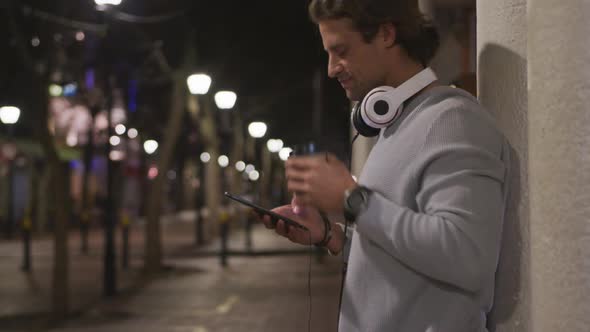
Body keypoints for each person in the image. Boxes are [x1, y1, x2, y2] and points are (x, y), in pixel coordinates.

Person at [260, 0, 510, 331]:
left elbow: (466, 256)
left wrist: (351, 199)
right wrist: (333, 236)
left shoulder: (452, 121)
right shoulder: (399, 125)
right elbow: (407, 248)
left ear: (386, 34)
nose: (332, 68)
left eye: (341, 50)